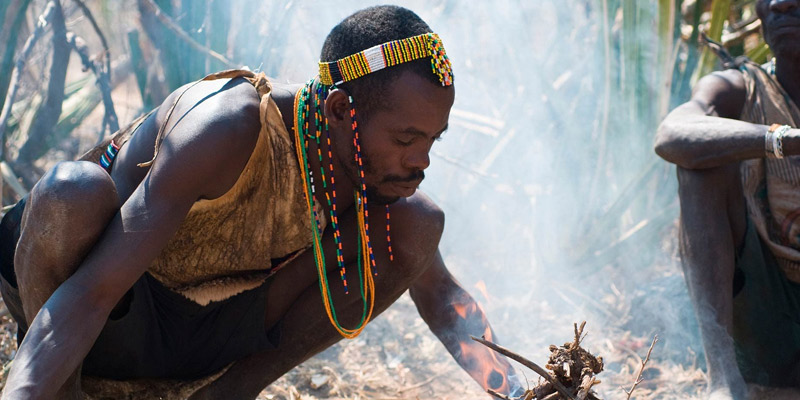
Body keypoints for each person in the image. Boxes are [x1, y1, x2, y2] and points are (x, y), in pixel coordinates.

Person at [0, 6, 522, 399]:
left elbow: (443, 298)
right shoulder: (227, 129)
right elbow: (92, 292)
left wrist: (522, 391)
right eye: (407, 139)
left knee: (418, 223)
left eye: (434, 140)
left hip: (198, 336)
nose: (421, 160)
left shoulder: (372, 177)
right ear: (341, 109)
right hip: (107, 315)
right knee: (72, 193)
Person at [655, 0, 800, 398]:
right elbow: (672, 135)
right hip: (770, 321)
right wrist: (782, 140)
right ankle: (723, 382)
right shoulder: (739, 89)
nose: (781, 3)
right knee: (701, 160)